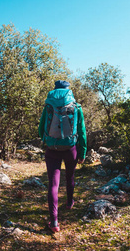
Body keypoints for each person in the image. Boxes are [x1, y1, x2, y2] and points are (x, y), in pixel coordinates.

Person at [39, 80, 87, 233]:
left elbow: (41, 128)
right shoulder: (76, 107)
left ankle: (54, 221)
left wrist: (47, 141)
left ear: (55, 89)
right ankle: (69, 202)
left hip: (52, 148)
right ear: (68, 90)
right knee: (70, 177)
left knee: (53, 184)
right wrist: (82, 152)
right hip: (70, 148)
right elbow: (82, 132)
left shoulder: (48, 106)